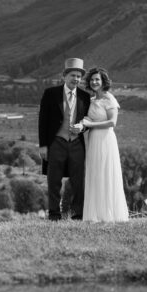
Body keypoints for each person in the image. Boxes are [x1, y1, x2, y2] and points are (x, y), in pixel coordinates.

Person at [73, 67, 130, 222]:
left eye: (97, 79)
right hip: (93, 141)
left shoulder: (109, 99)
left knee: (106, 173)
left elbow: (112, 122)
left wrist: (90, 125)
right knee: (95, 173)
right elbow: (88, 120)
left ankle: (110, 214)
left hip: (106, 140)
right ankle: (95, 214)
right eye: (92, 79)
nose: (94, 82)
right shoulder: (91, 101)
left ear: (103, 81)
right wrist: (82, 124)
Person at [38, 57, 91, 220]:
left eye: (78, 76)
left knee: (78, 181)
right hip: (56, 142)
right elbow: (43, 120)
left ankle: (77, 213)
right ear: (64, 76)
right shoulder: (50, 93)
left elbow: (89, 120)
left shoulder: (85, 97)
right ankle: (54, 214)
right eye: (72, 75)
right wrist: (43, 145)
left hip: (77, 144)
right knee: (54, 180)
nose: (76, 79)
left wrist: (82, 127)